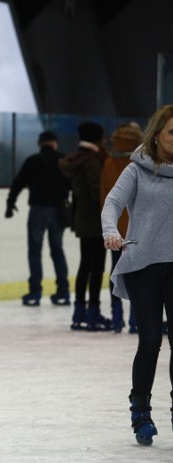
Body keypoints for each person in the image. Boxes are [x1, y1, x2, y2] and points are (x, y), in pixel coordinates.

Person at [102, 105, 173, 447]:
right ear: (157, 133)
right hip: (144, 264)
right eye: (172, 132)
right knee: (150, 342)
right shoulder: (137, 170)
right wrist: (110, 231)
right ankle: (140, 412)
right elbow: (112, 203)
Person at [5, 130, 72, 307]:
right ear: (55, 143)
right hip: (58, 211)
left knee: (35, 251)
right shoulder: (63, 160)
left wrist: (10, 204)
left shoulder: (32, 161)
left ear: (39, 144)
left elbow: (17, 182)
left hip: (37, 211)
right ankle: (63, 291)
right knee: (57, 250)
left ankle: (35, 292)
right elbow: (73, 185)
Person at [61, 121, 110, 331]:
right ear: (97, 139)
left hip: (82, 218)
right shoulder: (91, 161)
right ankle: (93, 312)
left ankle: (79, 310)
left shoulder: (76, 158)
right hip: (95, 220)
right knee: (96, 267)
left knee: (85, 266)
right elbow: (97, 191)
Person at [100, 122, 143, 333]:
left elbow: (105, 196)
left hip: (116, 230)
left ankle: (116, 315)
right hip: (139, 230)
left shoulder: (109, 162)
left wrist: (108, 226)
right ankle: (136, 318)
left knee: (115, 271)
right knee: (139, 275)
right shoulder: (141, 166)